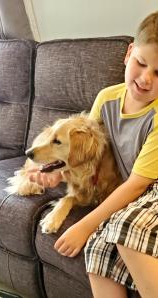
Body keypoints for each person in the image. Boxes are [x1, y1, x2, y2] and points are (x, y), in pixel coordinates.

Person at [28, 12, 158, 297]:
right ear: (129, 53)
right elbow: (89, 152)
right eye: (141, 63)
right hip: (130, 192)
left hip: (151, 188)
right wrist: (56, 171)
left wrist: (84, 225)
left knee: (126, 231)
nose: (146, 79)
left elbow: (138, 184)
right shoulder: (107, 97)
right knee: (97, 251)